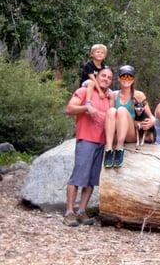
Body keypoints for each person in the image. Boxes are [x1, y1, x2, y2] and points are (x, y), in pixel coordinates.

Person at [63, 67, 114, 226]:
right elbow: (69, 109)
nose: (106, 79)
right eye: (103, 76)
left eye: (109, 77)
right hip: (86, 138)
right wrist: (86, 107)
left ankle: (82, 211)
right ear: (97, 77)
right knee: (78, 176)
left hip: (102, 142)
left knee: (91, 179)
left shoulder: (108, 97)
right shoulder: (84, 91)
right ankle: (69, 212)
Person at [103, 65, 155, 168]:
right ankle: (108, 149)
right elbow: (109, 116)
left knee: (122, 110)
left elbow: (151, 116)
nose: (126, 79)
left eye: (129, 77)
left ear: (133, 79)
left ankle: (119, 147)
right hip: (115, 134)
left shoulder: (139, 95)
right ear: (119, 78)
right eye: (123, 76)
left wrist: (152, 121)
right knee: (112, 110)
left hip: (130, 133)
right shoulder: (114, 95)